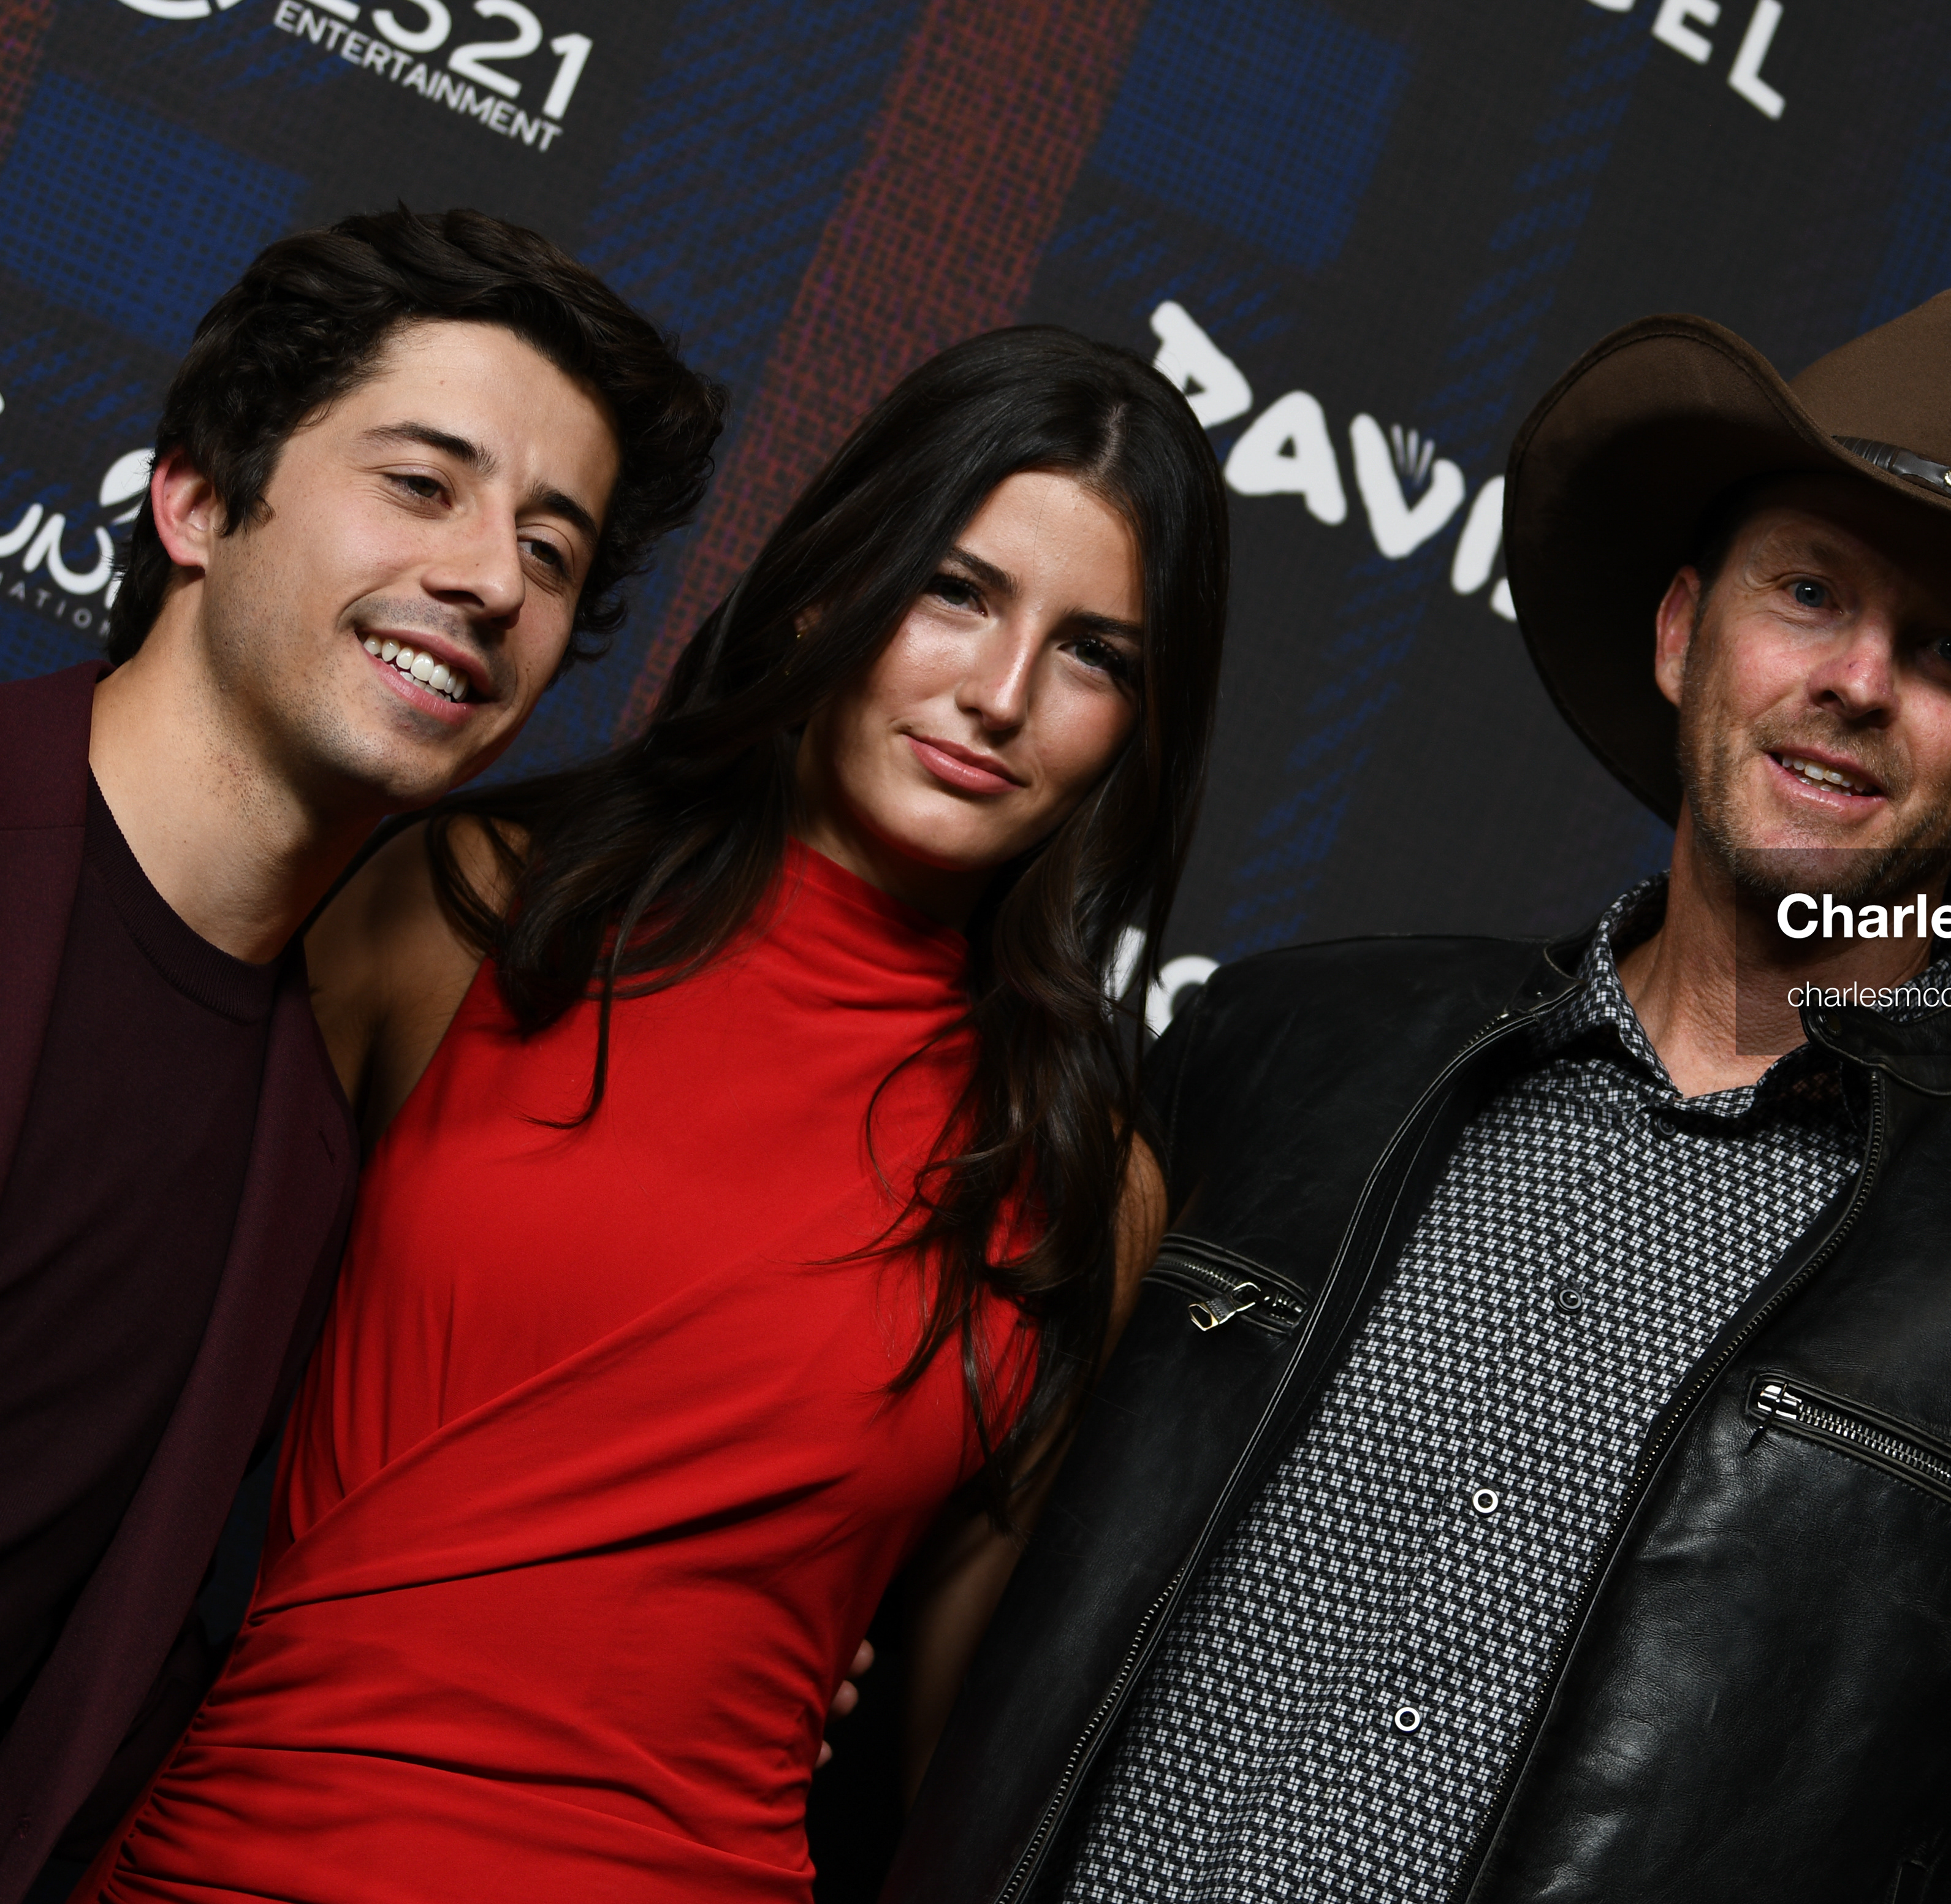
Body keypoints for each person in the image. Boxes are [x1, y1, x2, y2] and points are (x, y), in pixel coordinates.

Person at [891, 290, 1951, 1902]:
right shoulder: (1286, 1047)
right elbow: (949, 1556)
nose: (1856, 677)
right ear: (1681, 629)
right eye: (1810, 592)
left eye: (1948, 648)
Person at [78, 324, 1227, 1903]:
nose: (1004, 694)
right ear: (830, 583)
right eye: (954, 592)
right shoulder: (479, 912)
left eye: (1096, 654)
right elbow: (119, 1373)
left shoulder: (1081, 1179)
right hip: (241, 1854)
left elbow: (969, 1777)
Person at [0, 208, 721, 1899]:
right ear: (192, 499)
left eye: (554, 551)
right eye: (424, 482)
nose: (489, 576)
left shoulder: (326, 1142)